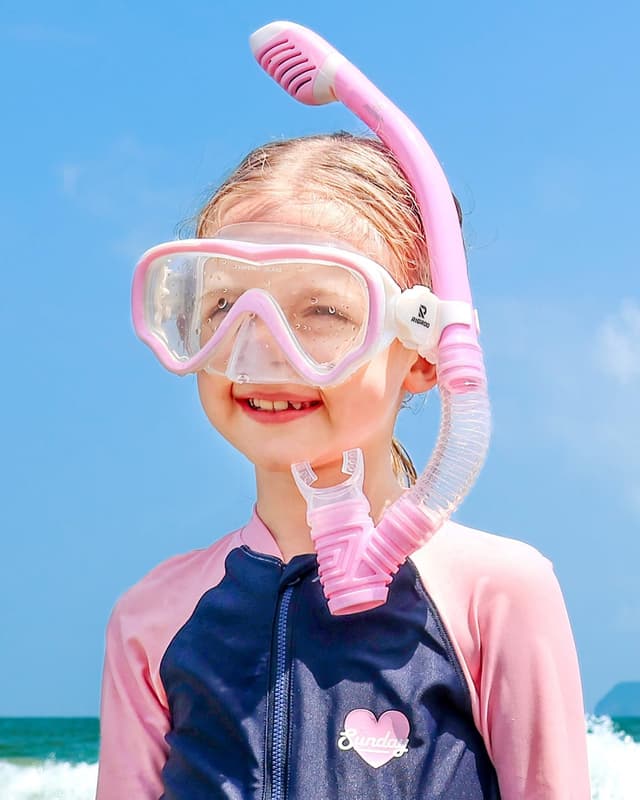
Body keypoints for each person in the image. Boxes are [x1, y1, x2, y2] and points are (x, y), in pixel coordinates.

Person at [96, 28, 591, 799]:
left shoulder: (495, 592)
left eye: (323, 310)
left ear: (426, 351)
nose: (261, 350)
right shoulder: (152, 616)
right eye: (224, 304)